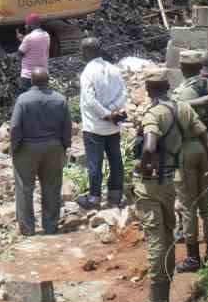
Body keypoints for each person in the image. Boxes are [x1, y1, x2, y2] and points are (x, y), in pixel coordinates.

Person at [131, 71, 208, 302]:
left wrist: (142, 166)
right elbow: (207, 140)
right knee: (167, 236)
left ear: (148, 89)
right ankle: (162, 298)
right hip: (169, 182)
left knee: (156, 240)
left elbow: (150, 145)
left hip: (151, 183)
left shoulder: (154, 113)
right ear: (167, 86)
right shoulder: (183, 108)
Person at [171, 51, 208, 272]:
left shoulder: (181, 94)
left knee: (188, 205)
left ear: (183, 68)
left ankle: (193, 258)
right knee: (207, 204)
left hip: (188, 148)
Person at [8, 67, 71, 236]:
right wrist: (64, 146)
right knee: (51, 187)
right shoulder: (60, 100)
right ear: (48, 81)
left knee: (24, 188)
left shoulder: (23, 99)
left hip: (27, 148)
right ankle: (50, 227)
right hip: (54, 148)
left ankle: (27, 229)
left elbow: (15, 127)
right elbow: (67, 127)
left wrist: (13, 147)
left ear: (31, 81)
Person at [76, 38, 126, 210]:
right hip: (113, 127)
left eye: (83, 50)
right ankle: (115, 196)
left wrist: (105, 114)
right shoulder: (114, 69)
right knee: (116, 161)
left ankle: (94, 199)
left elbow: (89, 100)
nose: (81, 54)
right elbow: (123, 94)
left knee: (95, 164)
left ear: (88, 52)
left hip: (94, 127)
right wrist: (112, 112)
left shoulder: (87, 73)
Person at [17, 14, 50, 87]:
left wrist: (23, 41)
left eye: (27, 24)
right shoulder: (46, 35)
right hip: (43, 75)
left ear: (31, 25)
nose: (26, 26)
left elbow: (20, 54)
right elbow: (35, 45)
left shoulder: (28, 38)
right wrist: (24, 40)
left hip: (28, 76)